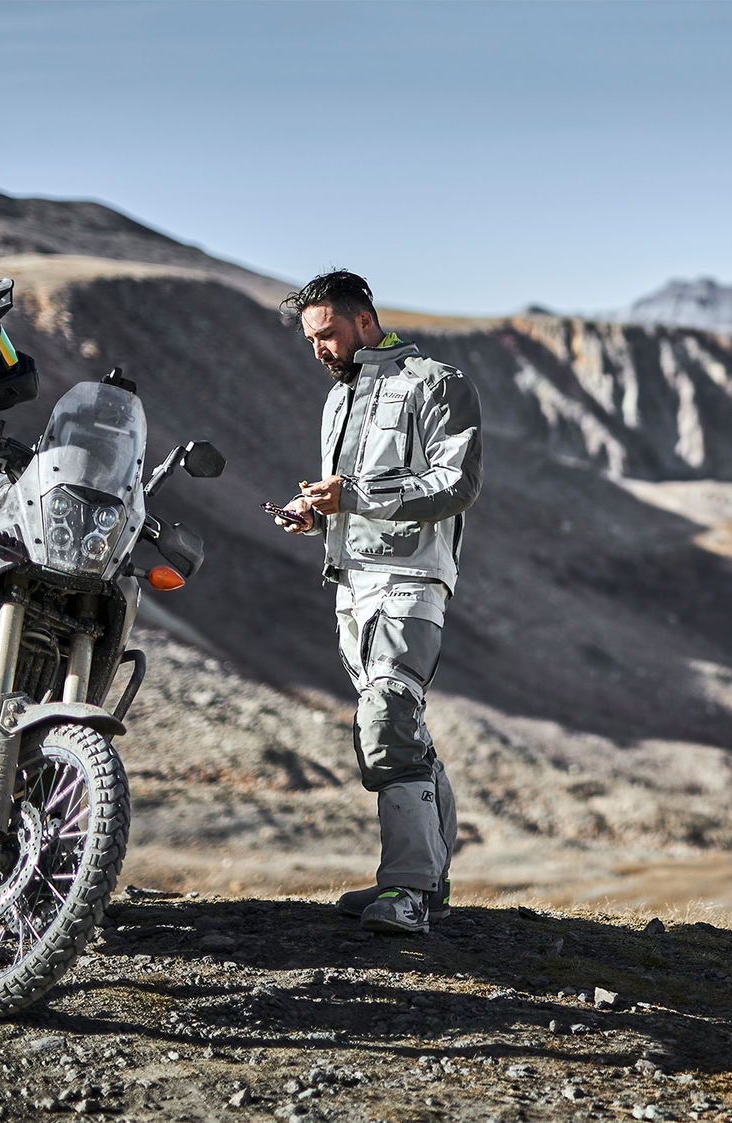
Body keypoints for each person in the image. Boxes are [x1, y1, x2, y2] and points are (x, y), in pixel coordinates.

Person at [276, 270, 483, 935]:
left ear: (365, 320)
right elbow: (347, 497)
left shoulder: (435, 382)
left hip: (412, 580)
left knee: (389, 720)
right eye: (310, 340)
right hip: (351, 590)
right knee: (400, 729)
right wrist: (312, 514)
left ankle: (408, 890)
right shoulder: (338, 401)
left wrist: (357, 497)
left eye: (327, 334)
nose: (319, 350)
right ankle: (430, 880)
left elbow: (457, 483)